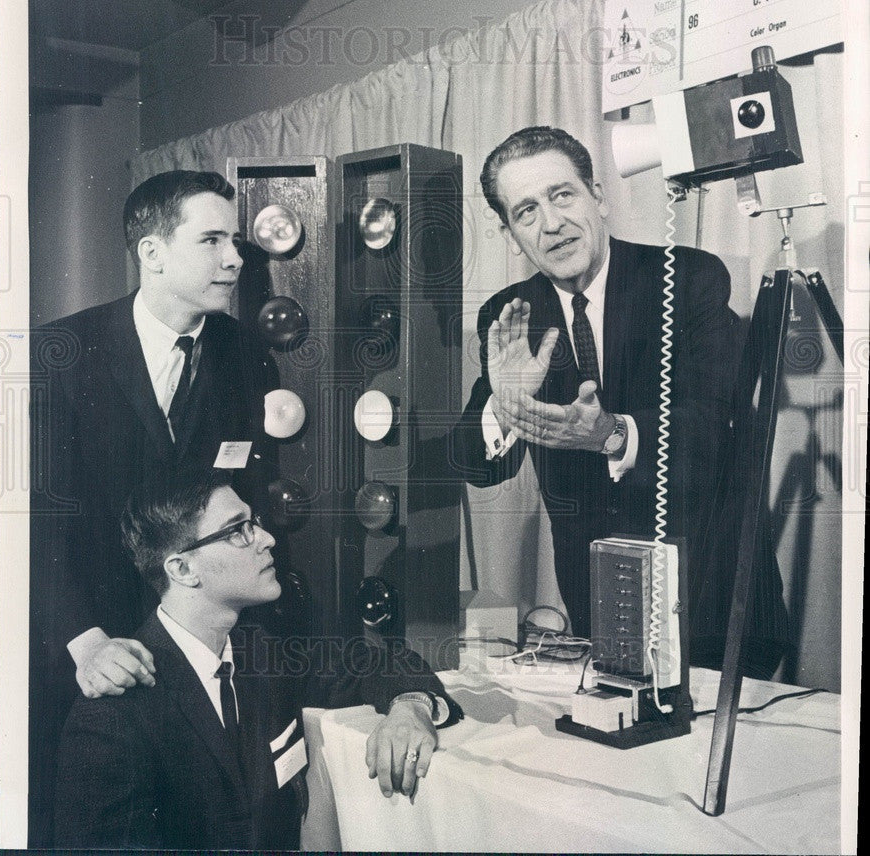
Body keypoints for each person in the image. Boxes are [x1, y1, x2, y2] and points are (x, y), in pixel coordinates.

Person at [452, 126, 788, 675]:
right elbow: (471, 463)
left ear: (599, 198)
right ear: (511, 233)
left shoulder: (691, 279)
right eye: (526, 211)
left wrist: (611, 433)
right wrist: (503, 406)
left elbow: (708, 430)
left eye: (563, 195)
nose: (552, 223)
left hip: (714, 599)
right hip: (600, 609)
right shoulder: (509, 312)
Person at [29, 170, 277, 841]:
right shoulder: (58, 354)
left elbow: (244, 506)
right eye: (212, 240)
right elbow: (28, 528)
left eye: (236, 240)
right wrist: (84, 644)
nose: (234, 258)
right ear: (152, 252)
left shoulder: (245, 356)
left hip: (194, 644)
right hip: (84, 645)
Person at [54, 469, 457, 849]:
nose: (266, 539)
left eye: (254, 522)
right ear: (182, 568)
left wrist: (411, 707)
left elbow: (381, 663)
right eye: (238, 531)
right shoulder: (111, 720)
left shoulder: (264, 654)